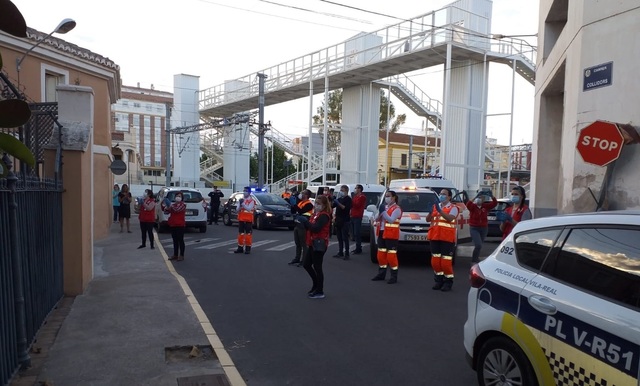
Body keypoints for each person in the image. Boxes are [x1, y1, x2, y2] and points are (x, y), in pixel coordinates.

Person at [297, 195, 331, 299]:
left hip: (319, 243)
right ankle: (316, 285)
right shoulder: (316, 214)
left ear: (324, 205)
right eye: (316, 203)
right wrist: (302, 223)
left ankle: (319, 290)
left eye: (318, 204)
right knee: (306, 264)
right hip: (313, 243)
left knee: (317, 267)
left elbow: (316, 228)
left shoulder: (324, 216)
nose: (316, 205)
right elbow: (310, 227)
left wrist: (305, 222)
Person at [426, 188, 459, 292]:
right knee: (435, 261)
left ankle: (448, 282)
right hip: (434, 237)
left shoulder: (453, 207)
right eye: (440, 194)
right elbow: (428, 220)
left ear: (449, 197)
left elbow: (450, 218)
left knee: (446, 262)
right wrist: (430, 212)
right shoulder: (435, 207)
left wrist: (440, 211)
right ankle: (438, 281)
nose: (441, 195)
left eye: (444, 194)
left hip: (447, 238)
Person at [371, 190, 402, 284]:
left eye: (388, 196)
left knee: (391, 256)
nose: (386, 198)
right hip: (381, 232)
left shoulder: (397, 209)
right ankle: (381, 274)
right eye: (386, 196)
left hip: (391, 235)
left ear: (393, 198)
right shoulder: (385, 207)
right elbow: (376, 218)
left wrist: (383, 212)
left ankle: (393, 276)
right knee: (381, 255)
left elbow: (391, 220)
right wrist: (377, 215)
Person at [466, 190, 498, 263]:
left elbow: (494, 203)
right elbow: (468, 205)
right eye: (479, 197)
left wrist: (492, 196)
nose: (479, 199)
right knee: (478, 245)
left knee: (480, 244)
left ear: (483, 199)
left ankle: (476, 258)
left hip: (484, 228)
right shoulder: (473, 207)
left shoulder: (485, 206)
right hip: (474, 228)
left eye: (481, 198)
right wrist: (475, 197)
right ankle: (474, 260)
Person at [288, 189, 313, 265]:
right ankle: (297, 258)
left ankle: (304, 260)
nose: (301, 194)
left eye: (303, 193)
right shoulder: (301, 202)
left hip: (303, 225)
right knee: (297, 243)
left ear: (307, 195)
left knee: (303, 243)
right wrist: (292, 204)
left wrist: (295, 205)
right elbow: (293, 211)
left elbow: (301, 211)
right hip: (297, 224)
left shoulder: (309, 204)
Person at [164, 191, 186, 261]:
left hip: (180, 224)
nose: (178, 197)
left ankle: (181, 255)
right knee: (175, 240)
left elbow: (176, 210)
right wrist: (166, 207)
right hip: (173, 224)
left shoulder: (183, 205)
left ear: (182, 198)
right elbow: (166, 211)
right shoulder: (173, 205)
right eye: (177, 196)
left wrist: (170, 206)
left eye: (179, 196)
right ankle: (175, 254)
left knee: (180, 240)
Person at [332, 185, 352, 260]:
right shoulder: (339, 199)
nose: (341, 192)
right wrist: (332, 200)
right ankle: (340, 252)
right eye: (341, 190)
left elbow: (345, 208)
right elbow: (332, 206)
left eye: (342, 190)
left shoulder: (348, 199)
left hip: (345, 220)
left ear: (346, 191)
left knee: (345, 238)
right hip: (338, 220)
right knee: (339, 237)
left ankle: (347, 253)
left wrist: (337, 202)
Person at [234, 187, 255, 254]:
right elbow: (237, 210)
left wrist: (242, 204)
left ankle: (248, 248)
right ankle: (240, 248)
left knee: (248, 234)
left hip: (248, 220)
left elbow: (249, 209)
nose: (244, 192)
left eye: (246, 191)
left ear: (249, 192)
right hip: (241, 219)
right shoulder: (241, 200)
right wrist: (240, 206)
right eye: (244, 191)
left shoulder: (251, 201)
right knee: (241, 234)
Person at [350, 184, 366, 254]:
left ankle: (358, 248)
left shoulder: (362, 197)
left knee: (357, 233)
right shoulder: (355, 197)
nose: (355, 189)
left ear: (359, 189)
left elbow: (357, 205)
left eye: (356, 188)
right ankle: (357, 247)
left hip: (358, 216)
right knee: (354, 233)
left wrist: (351, 201)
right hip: (353, 216)